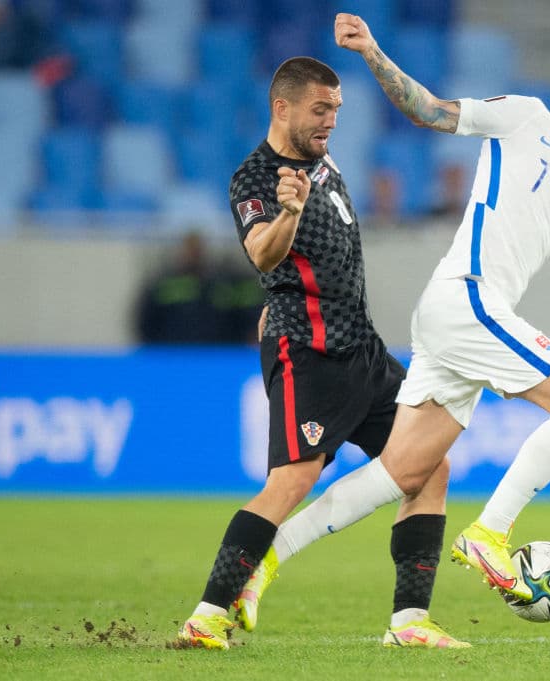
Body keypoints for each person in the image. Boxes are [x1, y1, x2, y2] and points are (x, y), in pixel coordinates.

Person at [237, 12, 550, 617]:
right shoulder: (526, 119)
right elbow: (430, 111)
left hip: (460, 318)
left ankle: (267, 562)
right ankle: (490, 533)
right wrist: (372, 52)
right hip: (467, 298)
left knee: (402, 472)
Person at [176, 56, 466, 650]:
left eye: (335, 109)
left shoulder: (323, 161)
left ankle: (409, 622)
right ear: (281, 107)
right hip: (309, 348)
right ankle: (207, 614)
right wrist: (289, 210)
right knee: (293, 479)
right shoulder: (256, 177)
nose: (331, 120)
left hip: (361, 345)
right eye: (320, 109)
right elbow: (262, 255)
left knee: (430, 466)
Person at [135, 231, 263, 345]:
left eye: (197, 250)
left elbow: (241, 318)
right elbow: (146, 320)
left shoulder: (224, 284)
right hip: (173, 355)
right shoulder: (163, 284)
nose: (193, 254)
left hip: (219, 354)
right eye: (190, 250)